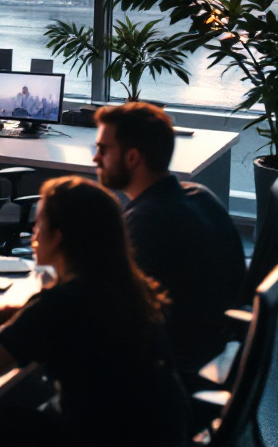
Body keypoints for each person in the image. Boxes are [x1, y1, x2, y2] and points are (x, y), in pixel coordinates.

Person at [0, 177, 190, 447]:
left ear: (57, 237)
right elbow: (79, 319)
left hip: (96, 438)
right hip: (158, 434)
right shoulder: (127, 286)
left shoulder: (60, 305)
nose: (33, 233)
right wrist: (20, 313)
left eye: (39, 224)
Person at [93, 101, 245, 382]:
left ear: (132, 158)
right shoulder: (199, 195)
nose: (95, 159)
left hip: (165, 378)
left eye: (102, 149)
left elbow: (104, 315)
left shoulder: (148, 222)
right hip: (213, 354)